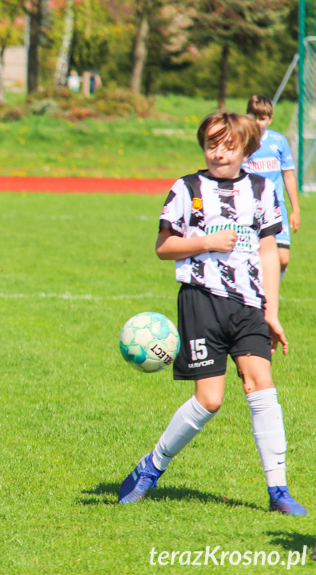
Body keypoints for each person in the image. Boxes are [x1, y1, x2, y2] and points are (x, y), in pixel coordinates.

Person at [117, 111, 306, 516]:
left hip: (250, 304)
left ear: (246, 149)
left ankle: (279, 491)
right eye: (212, 145)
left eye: (228, 145)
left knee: (262, 387)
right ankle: (152, 466)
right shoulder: (186, 188)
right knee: (210, 399)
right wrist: (204, 242)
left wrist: (271, 310)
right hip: (201, 299)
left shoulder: (261, 190)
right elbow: (163, 246)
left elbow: (269, 252)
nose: (219, 153)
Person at [243, 94, 301, 279]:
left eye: (263, 118)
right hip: (249, 207)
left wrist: (296, 209)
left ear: (270, 119)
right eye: (254, 117)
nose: (258, 122)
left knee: (283, 258)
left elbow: (288, 175)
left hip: (276, 207)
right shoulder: (241, 141)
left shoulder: (278, 141)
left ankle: (275, 279)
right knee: (253, 257)